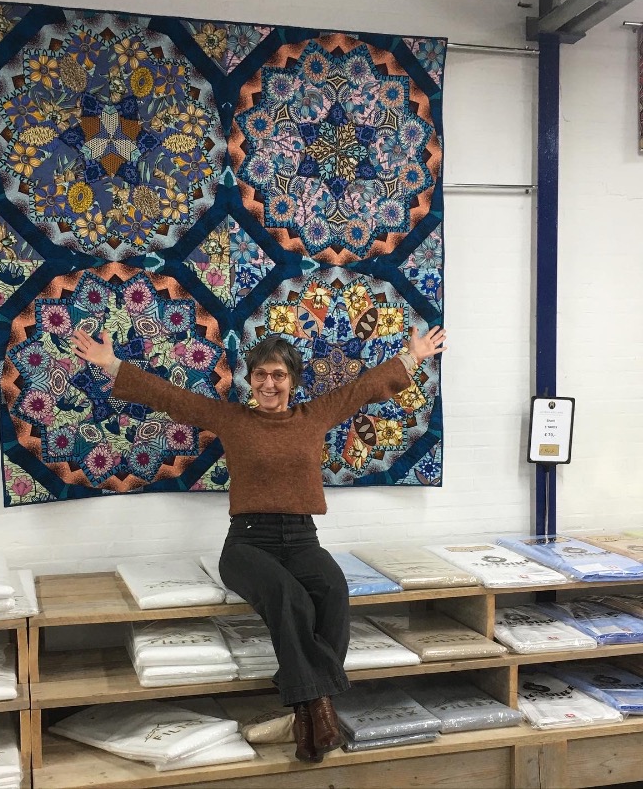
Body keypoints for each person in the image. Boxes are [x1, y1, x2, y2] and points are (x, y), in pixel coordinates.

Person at [71, 323, 447, 762]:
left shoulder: (314, 416)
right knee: (292, 598)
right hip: (247, 545)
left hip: (302, 539)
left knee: (332, 590)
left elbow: (364, 389)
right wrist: (112, 364)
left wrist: (412, 357)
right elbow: (172, 398)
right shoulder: (232, 419)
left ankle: (305, 712)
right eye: (261, 375)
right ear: (250, 379)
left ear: (292, 380)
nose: (269, 384)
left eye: (278, 375)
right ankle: (322, 709)